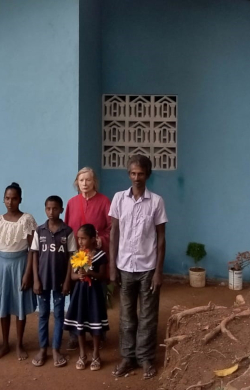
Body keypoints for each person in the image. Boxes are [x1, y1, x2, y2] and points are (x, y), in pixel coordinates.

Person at [109, 155, 167, 380]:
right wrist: (113, 268)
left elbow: (161, 238)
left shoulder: (156, 202)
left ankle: (145, 358)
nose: (136, 178)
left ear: (148, 175)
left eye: (141, 174)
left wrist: (159, 272)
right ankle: (127, 357)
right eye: (133, 173)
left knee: (148, 316)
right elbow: (114, 234)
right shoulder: (118, 199)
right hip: (124, 267)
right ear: (128, 175)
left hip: (148, 269)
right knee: (126, 317)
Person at [0, 182, 38, 360]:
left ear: (20, 200)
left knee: (20, 305)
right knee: (4, 305)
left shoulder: (27, 220)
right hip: (2, 267)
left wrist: (28, 273)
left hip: (21, 265)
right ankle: (5, 344)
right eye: (7, 198)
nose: (10, 202)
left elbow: (33, 249)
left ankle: (20, 344)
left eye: (14, 198)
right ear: (3, 200)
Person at [31, 195, 76, 368]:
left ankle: (56, 349)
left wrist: (67, 281)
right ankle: (43, 348)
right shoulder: (40, 231)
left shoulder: (67, 232)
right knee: (42, 314)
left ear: (61, 210)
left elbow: (72, 257)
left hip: (59, 281)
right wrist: (35, 279)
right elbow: (34, 254)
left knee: (58, 315)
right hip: (42, 280)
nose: (51, 212)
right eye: (48, 208)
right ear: (45, 209)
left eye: (55, 208)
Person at [64, 224, 109, 371]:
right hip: (80, 293)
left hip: (94, 293)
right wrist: (79, 275)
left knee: (95, 323)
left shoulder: (100, 256)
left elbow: (102, 276)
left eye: (84, 238)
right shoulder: (76, 255)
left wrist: (90, 274)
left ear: (92, 239)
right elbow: (72, 275)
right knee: (80, 323)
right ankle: (82, 355)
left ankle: (96, 354)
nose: (80, 241)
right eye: (79, 238)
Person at [65, 167, 111, 257]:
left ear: (94, 182)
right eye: (81, 180)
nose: (85, 184)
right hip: (76, 254)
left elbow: (112, 228)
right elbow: (66, 228)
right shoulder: (72, 202)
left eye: (88, 180)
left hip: (96, 254)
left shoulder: (104, 201)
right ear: (77, 182)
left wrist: (102, 239)